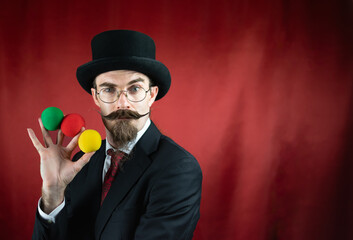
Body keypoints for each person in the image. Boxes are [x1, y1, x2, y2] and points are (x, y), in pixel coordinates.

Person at [27, 30, 202, 240]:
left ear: (152, 95)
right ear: (95, 97)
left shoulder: (178, 169)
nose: (122, 103)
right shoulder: (80, 164)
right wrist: (53, 194)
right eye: (109, 90)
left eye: (135, 88)